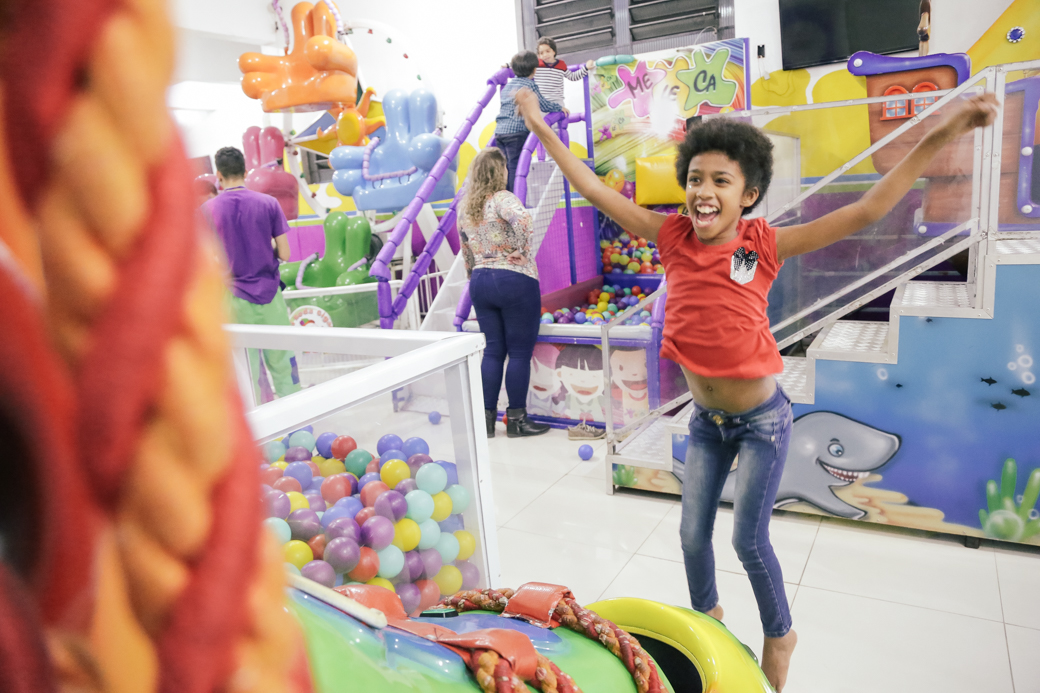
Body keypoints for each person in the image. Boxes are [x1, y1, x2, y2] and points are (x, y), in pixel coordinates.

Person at [515, 87, 997, 691]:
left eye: (721, 180)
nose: (703, 191)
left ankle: (780, 632)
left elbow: (869, 209)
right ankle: (708, 619)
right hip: (705, 421)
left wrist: (941, 133)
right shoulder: (671, 239)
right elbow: (593, 188)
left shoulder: (761, 244)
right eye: (694, 178)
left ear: (748, 196)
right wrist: (538, 125)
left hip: (763, 420)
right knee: (692, 535)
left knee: (747, 537)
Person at [459, 148, 550, 439]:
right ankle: (516, 421)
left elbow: (465, 249)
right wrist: (520, 251)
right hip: (513, 280)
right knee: (519, 353)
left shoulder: (467, 208)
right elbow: (523, 221)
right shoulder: (503, 199)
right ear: (500, 172)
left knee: (494, 351)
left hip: (481, 282)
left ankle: (486, 421)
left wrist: (475, 274)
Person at [202, 146, 301, 403]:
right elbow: (286, 254)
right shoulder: (269, 203)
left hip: (232, 299)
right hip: (270, 298)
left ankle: (258, 431)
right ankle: (297, 424)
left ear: (218, 175)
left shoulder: (206, 211)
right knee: (282, 363)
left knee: (245, 371)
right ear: (245, 171)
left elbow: (205, 261)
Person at [494, 50, 563, 193]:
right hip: (516, 134)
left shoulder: (507, 86)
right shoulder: (529, 85)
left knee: (503, 168)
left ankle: (503, 198)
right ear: (534, 70)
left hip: (500, 133)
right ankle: (514, 199)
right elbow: (544, 105)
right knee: (515, 167)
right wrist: (559, 108)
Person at [533, 37, 595, 114]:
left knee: (557, 124)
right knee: (542, 124)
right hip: (541, 103)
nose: (545, 55)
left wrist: (586, 68)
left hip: (557, 103)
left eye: (547, 51)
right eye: (541, 53)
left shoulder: (561, 65)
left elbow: (573, 77)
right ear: (538, 55)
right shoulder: (536, 66)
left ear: (554, 51)